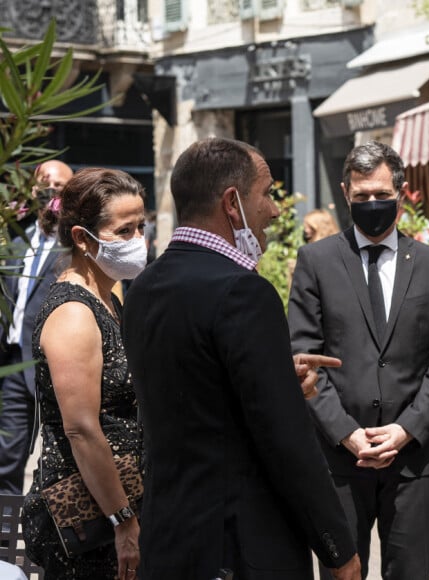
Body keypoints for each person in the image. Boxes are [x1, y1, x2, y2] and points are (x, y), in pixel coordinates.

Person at [121, 137, 361, 580]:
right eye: (266, 193)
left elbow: (196, 392)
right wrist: (339, 548)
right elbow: (285, 438)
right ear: (233, 203)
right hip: (238, 547)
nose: (273, 210)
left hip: (170, 540)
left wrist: (275, 377)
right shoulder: (244, 292)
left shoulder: (145, 287)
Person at [288, 140, 429, 580]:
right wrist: (346, 433)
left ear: (400, 193)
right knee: (342, 572)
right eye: (362, 196)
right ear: (346, 193)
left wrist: (407, 429)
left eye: (382, 195)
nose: (372, 204)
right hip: (340, 457)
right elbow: (304, 357)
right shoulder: (316, 261)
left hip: (412, 457)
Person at [21, 168, 146, 579]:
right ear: (81, 238)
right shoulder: (74, 312)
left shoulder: (108, 298)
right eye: (124, 230)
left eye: (141, 226)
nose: (137, 241)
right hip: (87, 524)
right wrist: (123, 520)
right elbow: (82, 430)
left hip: (110, 509)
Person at [0, 160, 73, 494]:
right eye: (45, 185)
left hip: (55, 362)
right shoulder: (17, 239)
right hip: (14, 361)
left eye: (59, 187)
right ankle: (5, 537)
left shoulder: (76, 245)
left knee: (62, 455)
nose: (51, 192)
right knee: (8, 454)